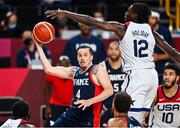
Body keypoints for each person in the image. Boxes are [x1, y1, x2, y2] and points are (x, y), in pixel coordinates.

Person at [45, 2, 180, 122]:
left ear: (135, 15)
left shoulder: (123, 28)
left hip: (136, 76)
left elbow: (92, 21)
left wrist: (66, 13)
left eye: (129, 11)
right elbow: (173, 53)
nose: (126, 13)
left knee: (123, 117)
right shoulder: (152, 32)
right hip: (152, 76)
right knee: (140, 119)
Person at [32, 37, 113, 127]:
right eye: (80, 55)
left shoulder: (97, 70)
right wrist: (39, 46)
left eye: (85, 55)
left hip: (89, 117)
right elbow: (49, 70)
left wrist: (89, 101)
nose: (82, 58)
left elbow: (109, 90)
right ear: (77, 57)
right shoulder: (74, 71)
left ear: (91, 57)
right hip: (72, 113)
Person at [100, 41, 126, 125]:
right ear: (107, 51)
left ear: (121, 51)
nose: (113, 51)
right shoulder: (101, 66)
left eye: (116, 49)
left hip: (122, 105)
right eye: (111, 49)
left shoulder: (126, 66)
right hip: (106, 106)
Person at [145, 63, 180, 127]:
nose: (167, 77)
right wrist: (143, 120)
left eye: (170, 74)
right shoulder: (155, 91)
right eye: (165, 74)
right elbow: (145, 110)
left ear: (177, 78)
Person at [44, 55, 73, 125]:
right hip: (56, 105)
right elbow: (47, 89)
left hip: (70, 106)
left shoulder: (74, 73)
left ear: (69, 65)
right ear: (58, 65)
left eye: (65, 66)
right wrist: (47, 106)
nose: (64, 69)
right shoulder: (53, 73)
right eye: (62, 66)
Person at [149, 10, 174, 84]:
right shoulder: (144, 31)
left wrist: (158, 57)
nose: (150, 20)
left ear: (158, 19)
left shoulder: (165, 32)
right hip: (147, 66)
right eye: (149, 18)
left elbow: (171, 53)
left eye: (153, 18)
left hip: (161, 66)